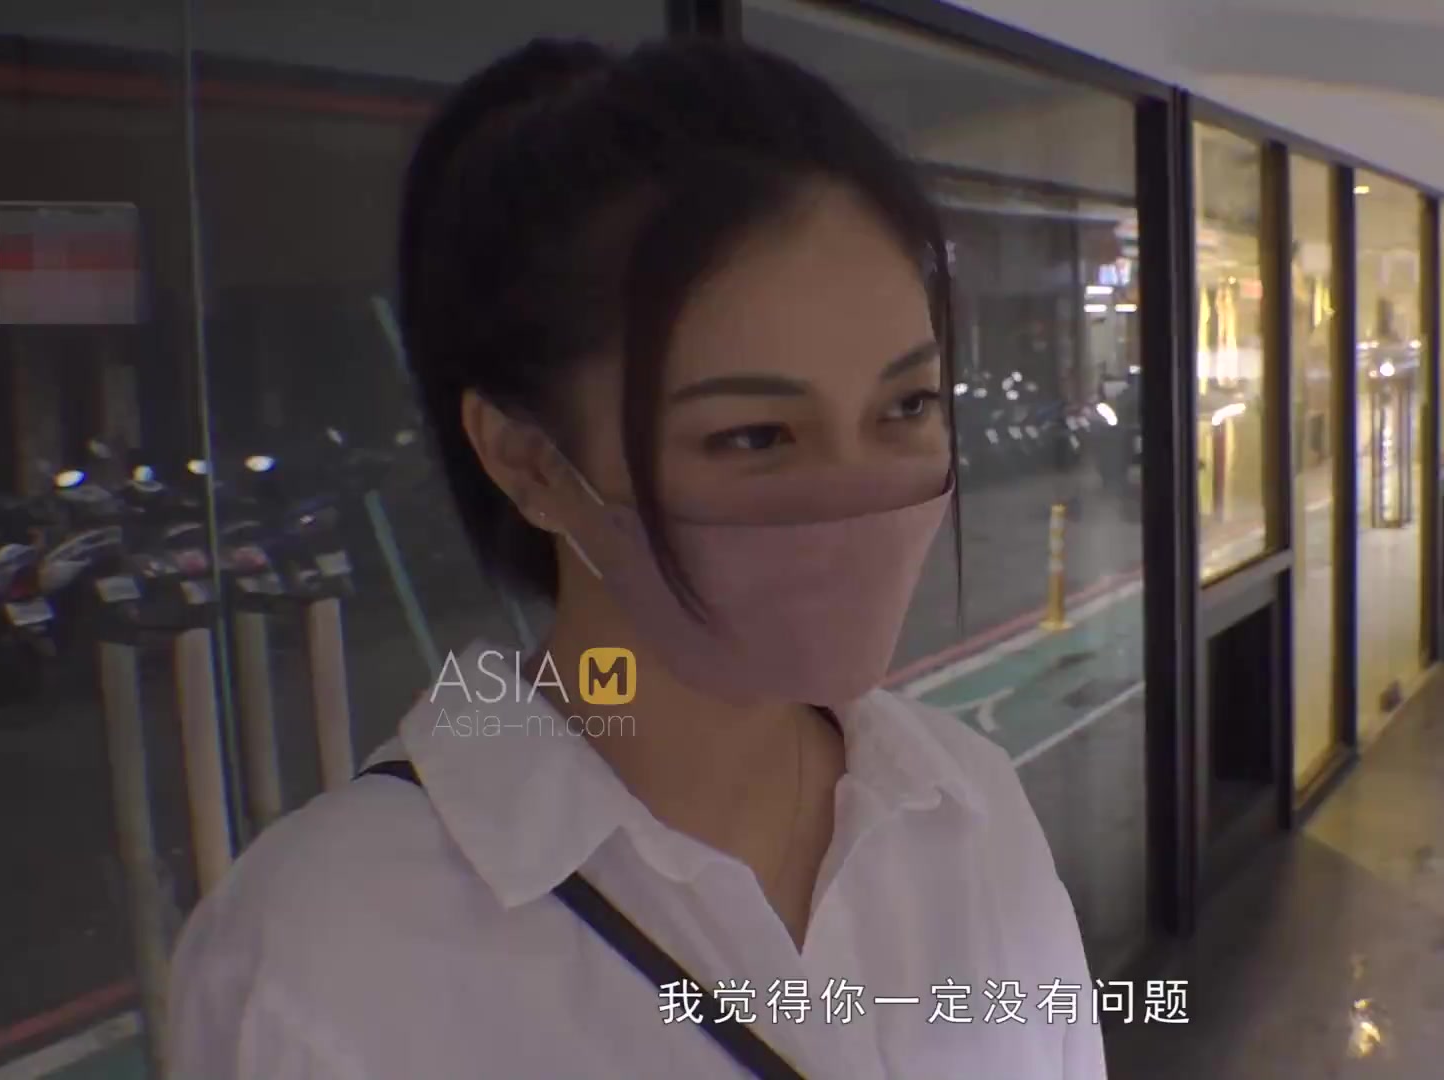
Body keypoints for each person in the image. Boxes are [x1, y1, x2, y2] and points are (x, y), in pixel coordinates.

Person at [167, 36, 1104, 1080]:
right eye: (753, 436)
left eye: (908, 404)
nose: (860, 494)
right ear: (529, 462)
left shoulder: (968, 811)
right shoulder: (318, 962)